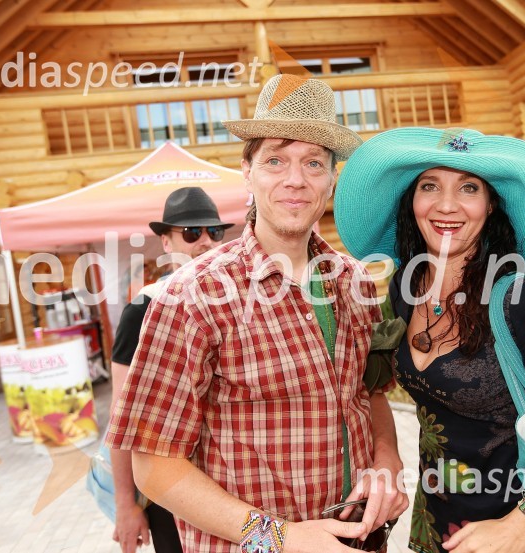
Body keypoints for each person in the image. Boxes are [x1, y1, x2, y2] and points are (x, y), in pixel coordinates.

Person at [106, 74, 408, 553]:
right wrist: (281, 538)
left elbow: (368, 395)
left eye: (314, 162)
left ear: (332, 179)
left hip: (360, 539)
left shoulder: (354, 283)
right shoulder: (191, 297)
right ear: (246, 171)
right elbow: (153, 467)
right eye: (275, 159)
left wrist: (387, 462)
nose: (296, 179)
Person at [334, 127, 525, 553]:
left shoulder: (524, 300)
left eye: (468, 188)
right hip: (439, 525)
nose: (447, 204)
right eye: (429, 185)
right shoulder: (404, 287)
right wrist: (387, 456)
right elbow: (375, 386)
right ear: (411, 202)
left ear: (491, 206)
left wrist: (522, 527)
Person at [109, 186, 233, 553]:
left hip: (234, 488)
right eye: (192, 233)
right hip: (170, 490)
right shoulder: (144, 308)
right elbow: (122, 418)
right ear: (166, 243)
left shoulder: (236, 300)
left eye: (215, 232)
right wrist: (125, 505)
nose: (206, 242)